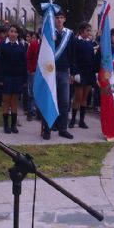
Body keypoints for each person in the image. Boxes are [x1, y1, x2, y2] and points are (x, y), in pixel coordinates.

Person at [40, 9, 75, 140]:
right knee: (49, 100)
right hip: (49, 72)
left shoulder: (69, 34)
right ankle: (47, 129)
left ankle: (63, 128)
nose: (59, 20)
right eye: (57, 17)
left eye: (61, 17)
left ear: (64, 19)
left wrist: (73, 72)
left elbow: (72, 54)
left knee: (64, 102)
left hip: (64, 72)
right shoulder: (48, 33)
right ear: (53, 19)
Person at [0, 25, 27, 134]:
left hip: (17, 78)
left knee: (14, 102)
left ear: (18, 34)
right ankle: (6, 125)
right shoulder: (2, 46)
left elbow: (24, 64)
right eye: (11, 31)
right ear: (8, 33)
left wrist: (24, 80)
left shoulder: (21, 46)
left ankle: (13, 125)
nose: (13, 34)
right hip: (5, 77)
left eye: (15, 32)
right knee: (6, 102)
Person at [70, 22, 95, 129]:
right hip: (79, 73)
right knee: (78, 97)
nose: (89, 33)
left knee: (85, 98)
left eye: (90, 30)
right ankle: (73, 120)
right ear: (81, 31)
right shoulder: (76, 41)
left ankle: (82, 121)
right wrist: (74, 73)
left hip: (89, 73)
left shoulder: (91, 43)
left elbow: (93, 59)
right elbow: (73, 58)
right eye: (87, 30)